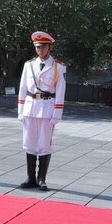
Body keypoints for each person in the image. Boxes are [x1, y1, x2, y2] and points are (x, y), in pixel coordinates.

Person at [17, 30, 66, 192]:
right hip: (30, 107)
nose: (40, 50)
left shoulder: (58, 67)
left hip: (47, 108)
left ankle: (41, 179)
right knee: (29, 143)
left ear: (49, 47)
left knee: (44, 144)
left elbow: (60, 90)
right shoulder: (28, 65)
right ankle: (30, 177)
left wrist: (57, 113)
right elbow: (23, 88)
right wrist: (20, 110)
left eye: (43, 47)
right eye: (38, 47)